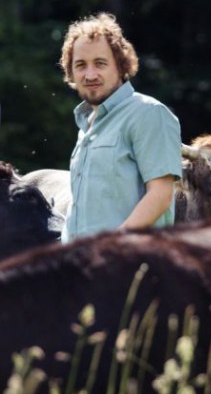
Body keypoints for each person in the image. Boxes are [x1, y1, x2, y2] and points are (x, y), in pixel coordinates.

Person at [59, 13, 182, 241]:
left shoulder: (149, 113)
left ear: (121, 66)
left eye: (100, 63)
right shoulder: (86, 126)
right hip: (80, 265)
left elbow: (161, 195)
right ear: (71, 73)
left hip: (128, 264)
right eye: (80, 65)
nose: (90, 74)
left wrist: (112, 248)